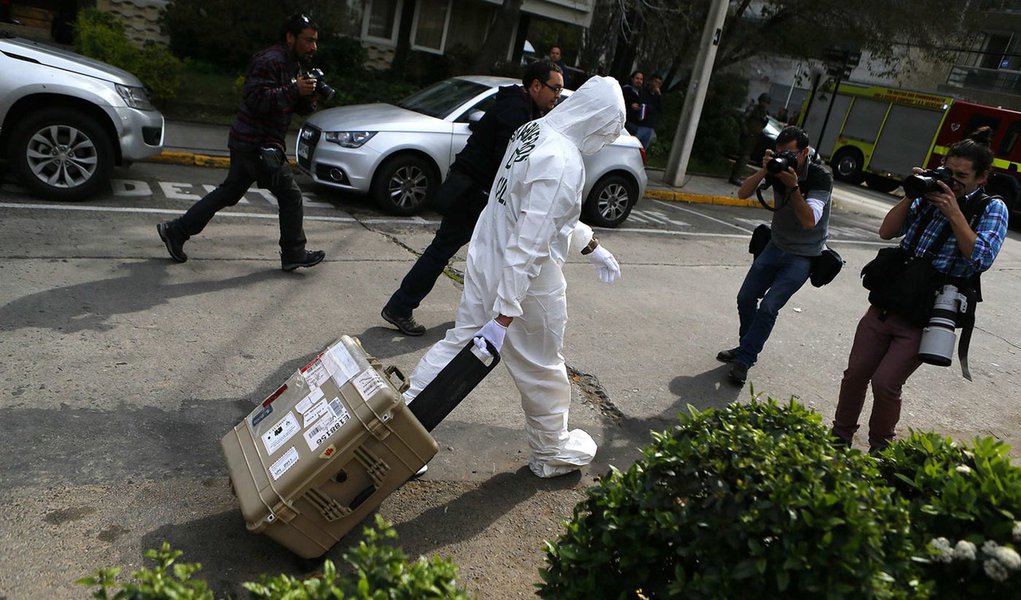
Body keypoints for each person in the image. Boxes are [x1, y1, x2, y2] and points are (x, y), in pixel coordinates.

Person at [403, 76, 626, 478]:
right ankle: (551, 450)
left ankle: (401, 430)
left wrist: (591, 246)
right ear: (596, 119)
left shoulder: (535, 129)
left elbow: (541, 213)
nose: (606, 140)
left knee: (459, 342)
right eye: (608, 131)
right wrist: (506, 313)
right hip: (527, 285)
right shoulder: (563, 160)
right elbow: (533, 241)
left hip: (488, 256)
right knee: (542, 368)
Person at [831, 128, 1008, 452]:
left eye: (962, 176)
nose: (952, 181)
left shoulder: (991, 208)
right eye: (948, 171)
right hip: (888, 301)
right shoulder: (927, 195)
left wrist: (954, 212)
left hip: (925, 315)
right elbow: (887, 231)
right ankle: (839, 437)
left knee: (885, 383)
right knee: (855, 375)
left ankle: (880, 450)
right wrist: (913, 192)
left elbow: (980, 258)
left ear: (982, 178)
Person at [380, 60, 564, 336]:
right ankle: (400, 306)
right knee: (444, 250)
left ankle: (482, 314)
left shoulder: (521, 106)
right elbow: (509, 160)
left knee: (491, 256)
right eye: (555, 89)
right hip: (473, 193)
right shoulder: (514, 110)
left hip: (480, 192)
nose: (557, 96)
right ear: (536, 85)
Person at [157, 14, 325, 272]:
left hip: (255, 143)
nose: (313, 47)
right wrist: (294, 90)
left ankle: (176, 231)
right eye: (308, 40)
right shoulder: (269, 61)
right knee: (291, 196)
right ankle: (293, 253)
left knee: (229, 192)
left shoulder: (293, 64)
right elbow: (256, 100)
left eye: (315, 41)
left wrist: (309, 95)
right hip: (256, 144)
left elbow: (290, 105)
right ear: (290, 37)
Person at [717, 126, 833, 385]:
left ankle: (744, 360)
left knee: (769, 306)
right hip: (776, 245)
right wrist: (765, 169)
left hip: (803, 254)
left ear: (804, 152)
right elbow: (743, 193)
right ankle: (747, 348)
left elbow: (809, 221)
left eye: (790, 154)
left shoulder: (819, 177)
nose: (785, 158)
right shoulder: (777, 169)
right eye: (781, 153)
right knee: (745, 297)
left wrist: (793, 187)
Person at [729, 92, 771, 185]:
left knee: (746, 157)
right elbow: (743, 119)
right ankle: (735, 177)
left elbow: (763, 124)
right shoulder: (754, 108)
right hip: (748, 136)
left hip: (754, 137)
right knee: (744, 156)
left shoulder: (764, 113)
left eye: (767, 103)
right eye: (764, 102)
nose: (765, 104)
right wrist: (746, 131)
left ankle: (736, 176)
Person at [635, 73, 663, 150]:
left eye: (659, 83)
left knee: (643, 148)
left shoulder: (657, 96)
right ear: (650, 82)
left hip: (650, 126)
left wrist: (659, 95)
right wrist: (652, 107)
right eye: (655, 82)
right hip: (640, 124)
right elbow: (644, 105)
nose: (656, 85)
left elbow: (660, 108)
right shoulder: (643, 92)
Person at [622, 70, 644, 136]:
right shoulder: (626, 90)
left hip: (637, 123)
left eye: (641, 79)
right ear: (632, 79)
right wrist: (630, 105)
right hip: (626, 121)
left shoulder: (641, 93)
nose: (639, 81)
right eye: (637, 78)